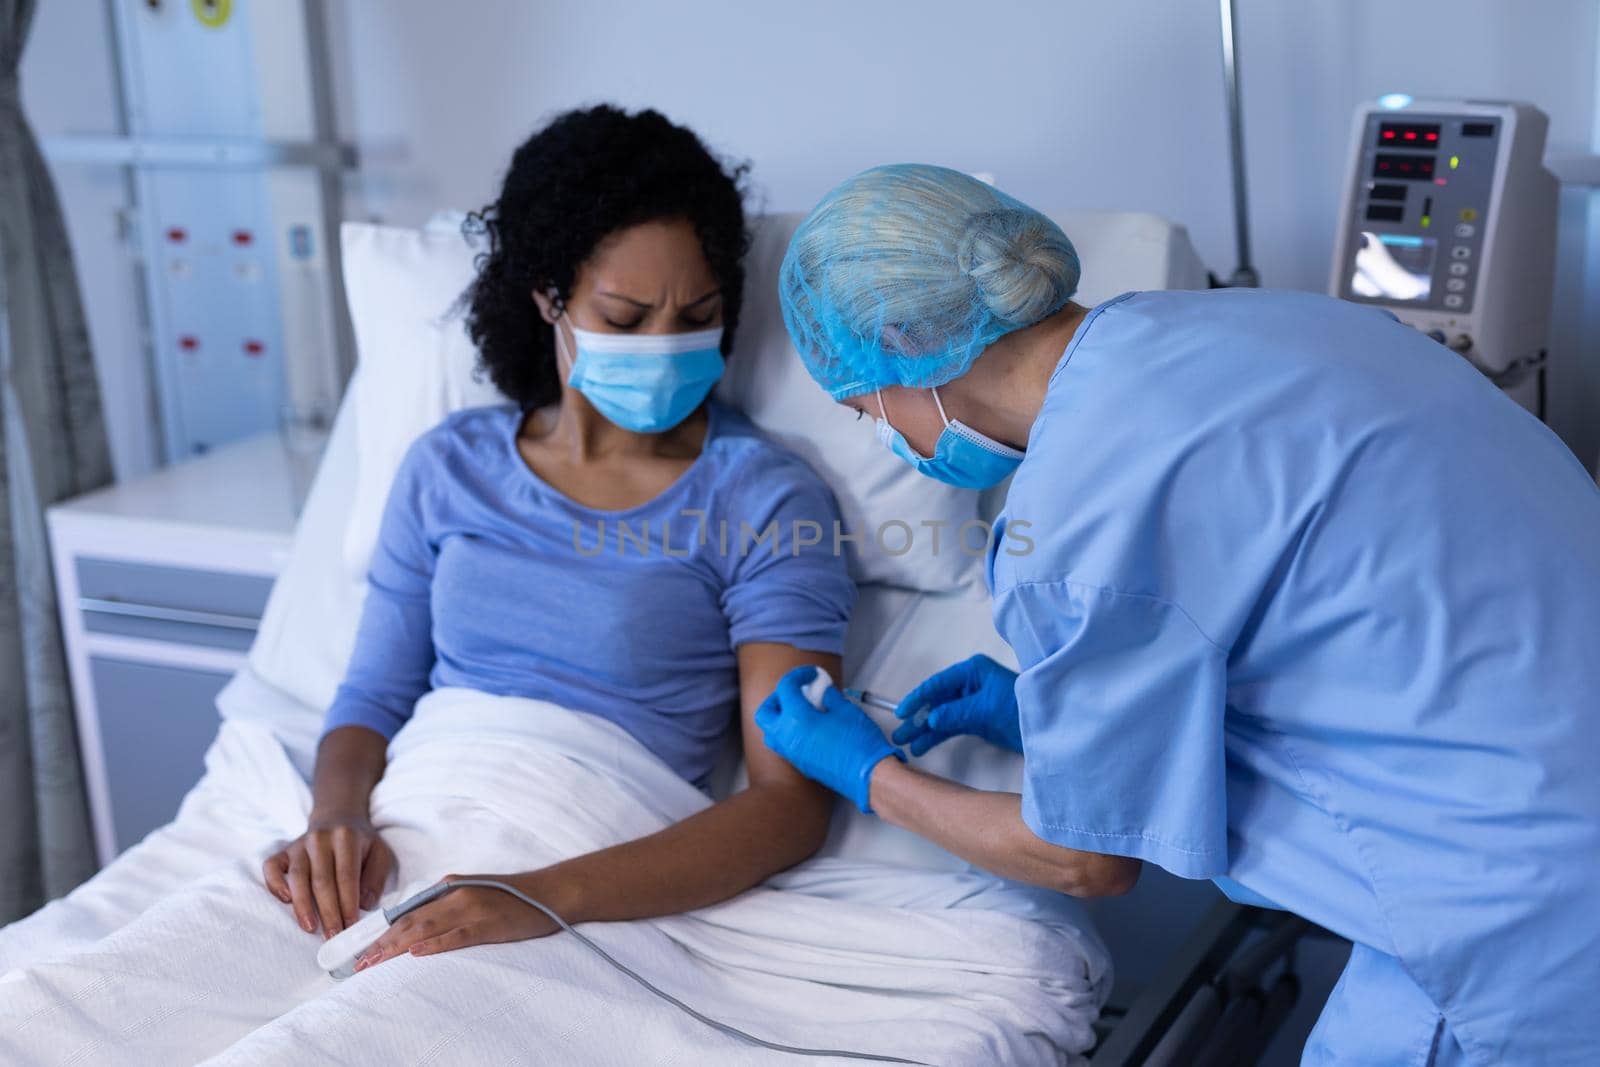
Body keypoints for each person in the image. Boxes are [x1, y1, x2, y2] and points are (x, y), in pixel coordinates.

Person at [756, 162, 1600, 1066]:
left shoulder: (1073, 522)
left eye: (866, 413)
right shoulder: (1260, 322)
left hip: (1521, 911)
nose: (887, 438)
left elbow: (1084, 860)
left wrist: (868, 773)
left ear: (904, 344)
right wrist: (1041, 719)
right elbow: (1328, 621)